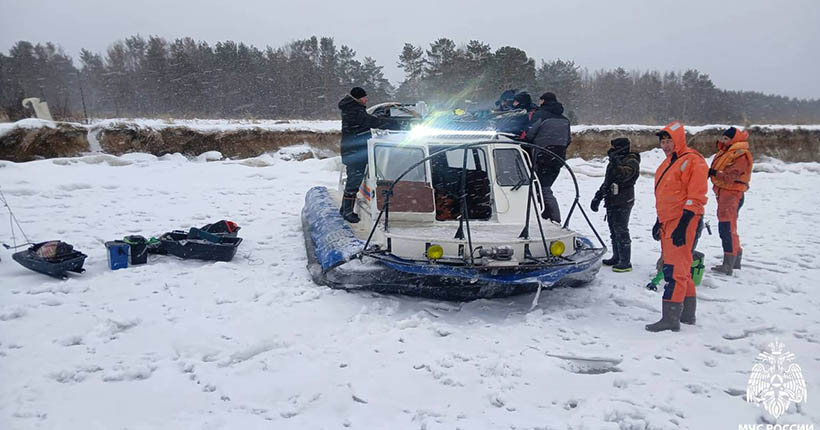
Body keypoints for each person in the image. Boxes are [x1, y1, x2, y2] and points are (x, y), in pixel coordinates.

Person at [646, 121, 708, 332]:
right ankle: (687, 315)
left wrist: (683, 224)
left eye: (668, 141)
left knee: (674, 269)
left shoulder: (692, 161)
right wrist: (659, 221)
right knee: (682, 269)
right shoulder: (668, 163)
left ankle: (670, 318)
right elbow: (666, 196)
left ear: (679, 140)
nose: (665, 145)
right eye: (662, 141)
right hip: (668, 221)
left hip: (684, 221)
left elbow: (696, 196)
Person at [337, 87, 398, 223]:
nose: (366, 99)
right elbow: (371, 122)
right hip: (355, 152)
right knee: (354, 180)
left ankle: (344, 208)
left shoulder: (352, 109)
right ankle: (347, 211)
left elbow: (368, 120)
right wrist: (396, 124)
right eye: (364, 97)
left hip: (353, 150)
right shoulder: (354, 111)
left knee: (354, 179)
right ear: (358, 98)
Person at [591, 137, 640, 272]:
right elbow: (608, 181)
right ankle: (617, 256)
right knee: (613, 230)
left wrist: (615, 161)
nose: (611, 149)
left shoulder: (632, 161)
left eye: (614, 147)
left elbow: (623, 175)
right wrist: (598, 197)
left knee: (621, 230)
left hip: (623, 201)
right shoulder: (615, 161)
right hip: (611, 200)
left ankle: (625, 261)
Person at [709, 127, 752, 275]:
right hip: (725, 194)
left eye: (726, 139)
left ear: (734, 140)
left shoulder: (740, 154)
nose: (723, 141)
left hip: (732, 195)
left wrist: (714, 173)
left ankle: (729, 263)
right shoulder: (727, 152)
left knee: (726, 228)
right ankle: (734, 259)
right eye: (723, 138)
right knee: (729, 227)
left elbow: (730, 176)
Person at [525, 92, 571, 223]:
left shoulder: (540, 115)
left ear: (543, 101)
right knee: (546, 187)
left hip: (540, 155)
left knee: (542, 188)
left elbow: (530, 133)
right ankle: (547, 215)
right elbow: (567, 140)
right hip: (558, 157)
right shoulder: (564, 119)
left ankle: (552, 218)